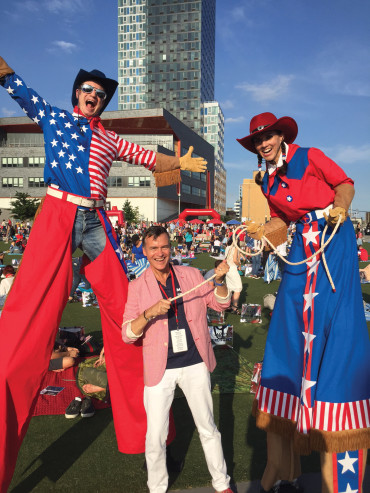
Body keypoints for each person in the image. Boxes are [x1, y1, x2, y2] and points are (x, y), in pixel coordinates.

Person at [0, 56, 207, 492]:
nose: (94, 98)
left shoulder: (109, 139)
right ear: (77, 95)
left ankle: (152, 433)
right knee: (30, 311)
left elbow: (150, 160)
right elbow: (23, 94)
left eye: (100, 95)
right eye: (88, 92)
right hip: (58, 212)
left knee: (127, 316)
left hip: (95, 223)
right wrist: (6, 73)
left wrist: (180, 165)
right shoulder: (54, 119)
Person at [237, 112, 370, 493]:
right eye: (257, 140)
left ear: (280, 136)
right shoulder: (267, 180)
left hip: (333, 238)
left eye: (268, 137)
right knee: (289, 323)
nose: (263, 143)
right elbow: (281, 220)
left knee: (336, 320)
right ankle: (286, 458)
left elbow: (345, 181)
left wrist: (341, 208)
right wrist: (260, 232)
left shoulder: (310, 156)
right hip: (301, 245)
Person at [122, 226, 232, 493]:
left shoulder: (191, 274)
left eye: (164, 247)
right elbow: (127, 334)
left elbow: (221, 305)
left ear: (171, 248)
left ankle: (222, 484)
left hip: (195, 363)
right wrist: (148, 313)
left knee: (207, 426)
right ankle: (157, 488)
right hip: (160, 370)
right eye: (153, 249)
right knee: (155, 437)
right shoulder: (137, 287)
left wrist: (219, 281)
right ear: (144, 252)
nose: (160, 253)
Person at [224, 237, 244, 314]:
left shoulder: (227, 247)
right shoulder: (235, 247)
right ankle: (234, 308)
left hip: (227, 269)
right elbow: (235, 260)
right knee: (237, 288)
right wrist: (239, 264)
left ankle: (227, 306)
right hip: (232, 269)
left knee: (229, 288)